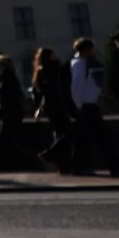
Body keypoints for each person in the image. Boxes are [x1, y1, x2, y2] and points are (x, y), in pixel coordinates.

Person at [70, 37, 116, 175]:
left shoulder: (77, 63)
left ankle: (80, 167)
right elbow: (77, 86)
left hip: (85, 105)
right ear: (87, 49)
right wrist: (79, 104)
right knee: (101, 137)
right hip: (87, 106)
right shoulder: (81, 64)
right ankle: (115, 166)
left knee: (84, 139)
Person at [30, 45, 78, 174]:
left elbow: (38, 92)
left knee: (60, 135)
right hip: (56, 105)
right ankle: (49, 154)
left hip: (50, 106)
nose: (56, 55)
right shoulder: (52, 69)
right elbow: (56, 89)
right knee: (68, 134)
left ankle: (64, 166)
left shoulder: (41, 71)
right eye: (53, 54)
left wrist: (39, 107)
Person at [0, 51, 28, 170]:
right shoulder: (9, 78)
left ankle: (4, 165)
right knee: (10, 140)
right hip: (12, 114)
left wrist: (0, 110)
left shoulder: (6, 79)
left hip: (10, 115)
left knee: (5, 141)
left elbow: (5, 98)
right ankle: (9, 164)